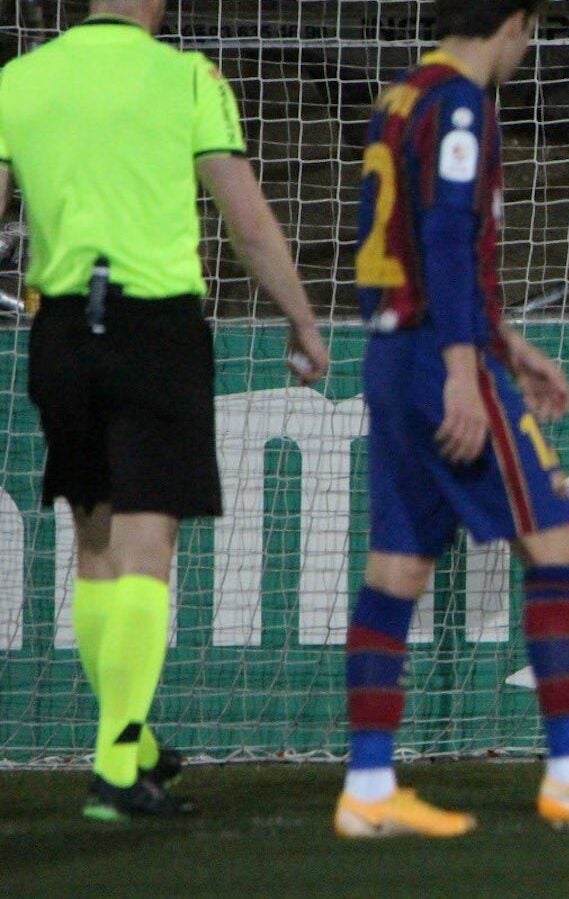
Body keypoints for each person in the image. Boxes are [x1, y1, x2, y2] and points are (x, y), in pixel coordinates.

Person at [333, 0, 569, 838]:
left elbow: (411, 246)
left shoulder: (402, 95)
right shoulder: (461, 102)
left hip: (390, 350)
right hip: (438, 357)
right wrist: (467, 365)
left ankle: (370, 786)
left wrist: (507, 341)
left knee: (397, 569)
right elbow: (447, 237)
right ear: (516, 23)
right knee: (560, 543)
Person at [0, 0, 330, 821]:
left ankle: (133, 738)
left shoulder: (17, 79)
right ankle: (116, 767)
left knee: (97, 537)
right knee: (149, 539)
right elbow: (246, 221)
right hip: (155, 325)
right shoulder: (187, 77)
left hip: (64, 330)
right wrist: (300, 316)